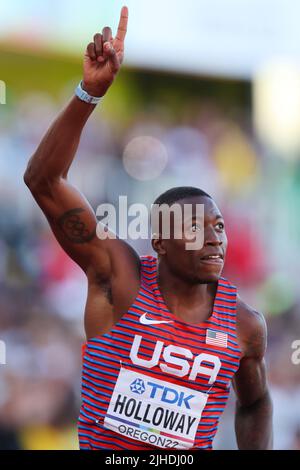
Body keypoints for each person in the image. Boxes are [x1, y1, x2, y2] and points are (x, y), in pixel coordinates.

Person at [24, 6, 273, 450]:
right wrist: (88, 94)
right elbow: (44, 181)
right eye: (196, 227)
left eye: (219, 226)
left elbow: (254, 403)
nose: (215, 238)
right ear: (159, 241)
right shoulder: (116, 277)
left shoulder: (244, 326)